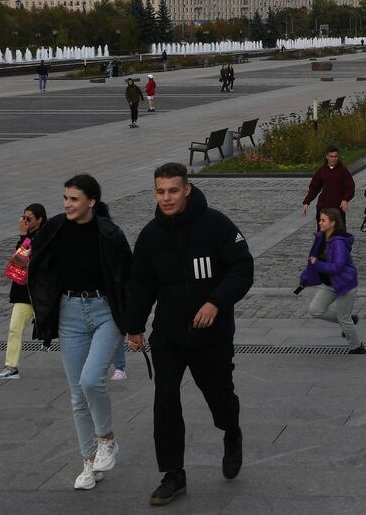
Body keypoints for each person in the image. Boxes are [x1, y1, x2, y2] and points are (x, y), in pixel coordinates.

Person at [125, 162, 253, 505]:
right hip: (169, 334)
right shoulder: (151, 235)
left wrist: (215, 302)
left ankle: (232, 431)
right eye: (160, 191)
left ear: (187, 190)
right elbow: (140, 285)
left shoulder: (216, 225)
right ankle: (173, 474)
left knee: (220, 397)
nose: (166, 198)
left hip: (211, 335)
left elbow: (242, 269)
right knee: (165, 398)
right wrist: (134, 326)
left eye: (173, 190)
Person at [28, 175, 132, 491]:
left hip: (105, 313)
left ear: (91, 202)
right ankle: (89, 463)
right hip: (70, 313)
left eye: (74, 199)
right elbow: (37, 262)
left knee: (90, 380)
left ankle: (108, 440)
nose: (67, 204)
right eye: (65, 198)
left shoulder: (110, 234)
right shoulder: (56, 228)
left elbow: (128, 279)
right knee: (77, 394)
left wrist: (134, 324)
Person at [300, 209, 365, 354]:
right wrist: (304, 279)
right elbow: (312, 261)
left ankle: (357, 347)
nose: (320, 222)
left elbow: (337, 266)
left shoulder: (338, 243)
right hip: (329, 284)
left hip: (344, 284)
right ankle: (349, 320)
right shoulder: (321, 238)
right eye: (320, 219)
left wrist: (317, 263)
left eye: (323, 220)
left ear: (333, 223)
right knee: (315, 310)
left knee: (344, 318)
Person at [0, 203, 47, 379]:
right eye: (23, 217)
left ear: (40, 220)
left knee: (64, 328)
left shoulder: (43, 237)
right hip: (23, 293)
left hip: (41, 293)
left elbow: (21, 259)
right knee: (14, 328)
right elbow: (18, 260)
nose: (24, 221)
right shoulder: (27, 237)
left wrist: (24, 236)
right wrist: (23, 237)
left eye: (29, 219)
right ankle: (11, 367)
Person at [301, 146, 356, 221]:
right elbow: (314, 188)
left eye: (335, 156)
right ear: (327, 156)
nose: (333, 159)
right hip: (323, 207)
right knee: (322, 230)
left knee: (338, 231)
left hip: (338, 208)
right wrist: (306, 202)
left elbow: (350, 187)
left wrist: (345, 200)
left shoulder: (343, 171)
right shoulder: (321, 171)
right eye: (331, 156)